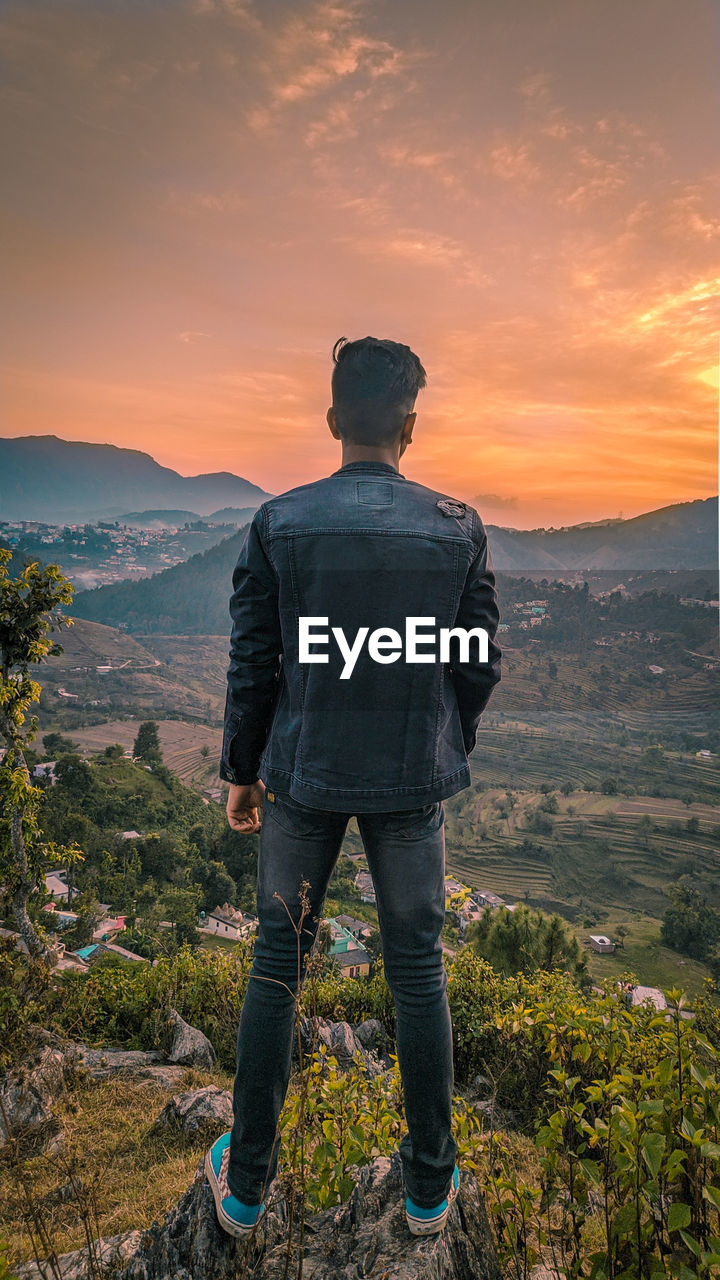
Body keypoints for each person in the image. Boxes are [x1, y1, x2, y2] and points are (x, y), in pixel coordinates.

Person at [205, 335, 501, 1240]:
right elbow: (478, 658)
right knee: (418, 973)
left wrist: (243, 771)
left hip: (302, 773)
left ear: (333, 420)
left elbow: (256, 659)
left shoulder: (280, 522)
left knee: (276, 967)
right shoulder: (456, 525)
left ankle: (246, 1186)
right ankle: (426, 1191)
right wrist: (446, 736)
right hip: (412, 782)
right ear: (411, 425)